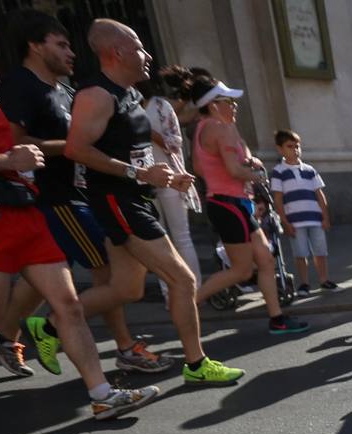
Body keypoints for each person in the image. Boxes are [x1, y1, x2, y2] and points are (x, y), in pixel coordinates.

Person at [0, 29, 159, 417]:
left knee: (68, 304)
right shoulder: (17, 88)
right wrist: (9, 161)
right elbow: (9, 153)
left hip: (25, 210)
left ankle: (102, 395)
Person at [65, 19, 242, 386]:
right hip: (117, 201)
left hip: (136, 197)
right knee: (183, 279)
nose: (147, 56)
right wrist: (137, 175)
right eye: (139, 48)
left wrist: (164, 174)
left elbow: (135, 152)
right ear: (116, 52)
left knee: (127, 289)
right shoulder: (96, 95)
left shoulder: (131, 94)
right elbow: (76, 150)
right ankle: (196, 364)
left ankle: (51, 324)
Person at [187, 73, 307, 337]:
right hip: (230, 205)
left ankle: (277, 319)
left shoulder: (205, 128)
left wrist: (249, 162)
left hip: (231, 204)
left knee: (265, 259)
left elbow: (205, 165)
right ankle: (188, 303)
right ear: (213, 104)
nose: (234, 105)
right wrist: (257, 175)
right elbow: (233, 168)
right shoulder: (221, 128)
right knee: (242, 271)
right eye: (228, 101)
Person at [142, 64, 203, 302]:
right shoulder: (123, 107)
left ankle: (194, 291)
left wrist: (149, 133)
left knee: (181, 236)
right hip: (143, 180)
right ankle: (169, 292)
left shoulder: (160, 106)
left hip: (170, 178)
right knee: (158, 240)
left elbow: (174, 143)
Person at [270, 129, 334, 293]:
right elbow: (278, 199)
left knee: (321, 251)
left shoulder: (309, 170)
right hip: (295, 221)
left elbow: (319, 194)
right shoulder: (279, 172)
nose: (295, 150)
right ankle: (304, 283)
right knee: (300, 253)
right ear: (280, 149)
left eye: (297, 146)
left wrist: (325, 216)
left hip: (315, 218)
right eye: (290, 146)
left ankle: (324, 280)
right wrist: (285, 222)